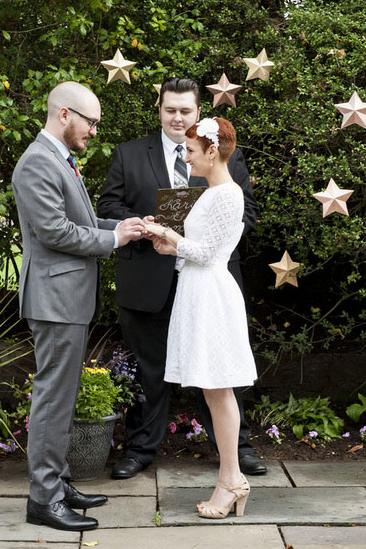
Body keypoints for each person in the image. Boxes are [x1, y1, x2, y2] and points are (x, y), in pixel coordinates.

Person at [97, 76, 266, 479]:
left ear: (198, 113)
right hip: (147, 279)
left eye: (185, 110)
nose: (177, 117)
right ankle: (139, 449)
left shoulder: (221, 155)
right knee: (147, 368)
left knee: (217, 369)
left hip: (207, 280)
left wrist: (210, 238)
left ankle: (234, 449)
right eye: (170, 109)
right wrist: (140, 225)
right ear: (158, 109)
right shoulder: (128, 153)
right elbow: (108, 204)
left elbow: (248, 210)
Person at [12, 82, 145, 533]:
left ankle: (58, 483)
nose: (94, 131)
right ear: (65, 114)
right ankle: (43, 499)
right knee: (52, 399)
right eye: (91, 122)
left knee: (63, 397)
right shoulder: (36, 162)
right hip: (54, 300)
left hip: (66, 299)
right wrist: (113, 240)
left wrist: (119, 225)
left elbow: (79, 223)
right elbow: (53, 232)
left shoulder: (59, 159)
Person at [146, 116, 257, 519]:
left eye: (192, 151)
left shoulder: (228, 194)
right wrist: (169, 245)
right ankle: (231, 479)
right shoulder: (209, 192)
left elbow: (209, 254)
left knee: (219, 388)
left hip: (211, 294)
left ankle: (232, 479)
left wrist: (174, 238)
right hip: (197, 291)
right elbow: (198, 246)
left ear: (212, 152)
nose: (187, 157)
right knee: (212, 390)